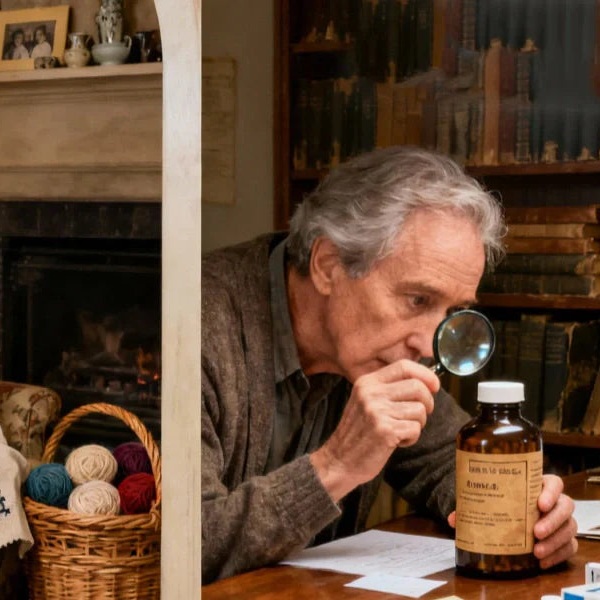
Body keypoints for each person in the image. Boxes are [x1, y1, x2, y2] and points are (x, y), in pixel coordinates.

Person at [200, 146, 579, 583]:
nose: (430, 345)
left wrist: (535, 511)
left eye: (453, 312)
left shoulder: (376, 351)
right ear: (328, 265)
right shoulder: (196, 323)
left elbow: (449, 465)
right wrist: (335, 466)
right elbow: (180, 545)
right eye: (417, 300)